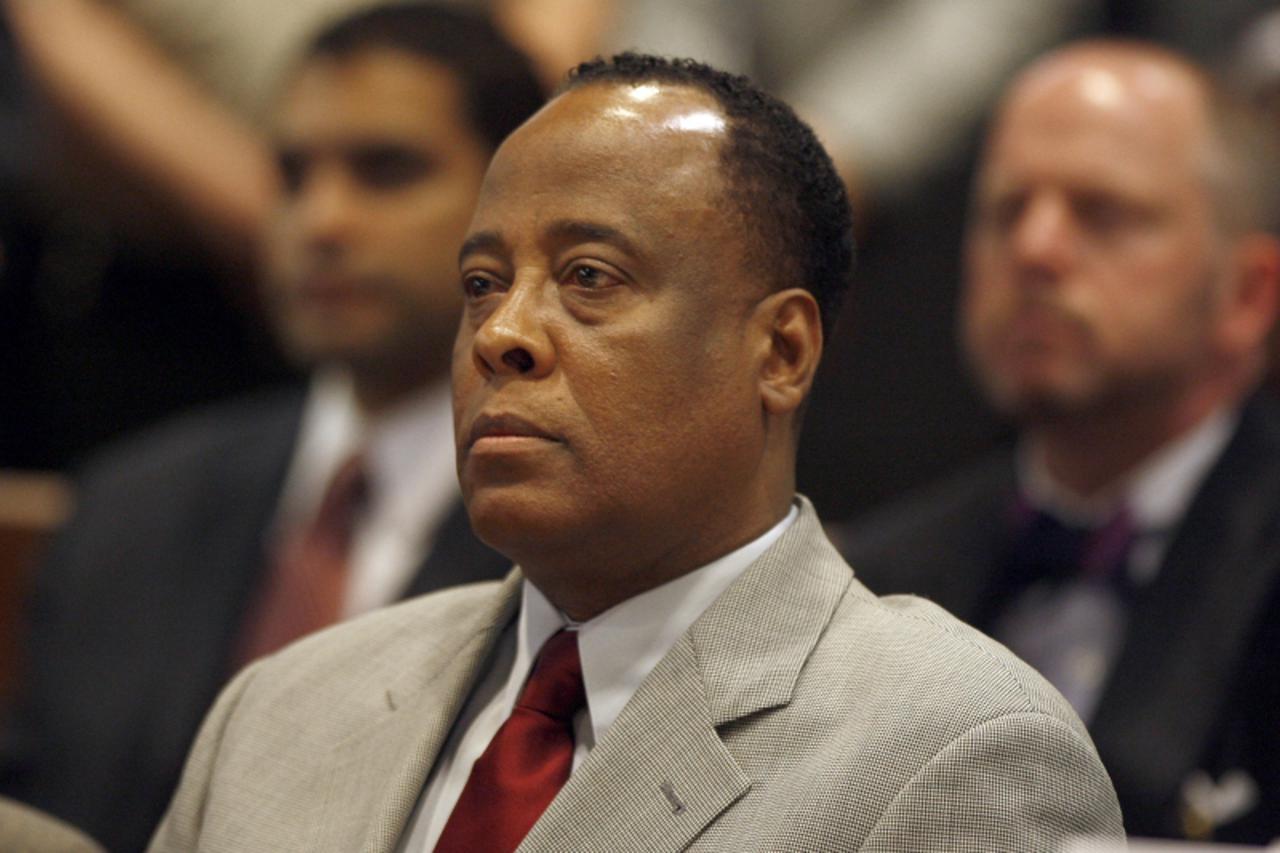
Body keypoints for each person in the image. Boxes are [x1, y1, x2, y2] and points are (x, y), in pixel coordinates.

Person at [150, 53, 1122, 852]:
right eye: (482, 283)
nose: (502, 334)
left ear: (779, 351)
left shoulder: (952, 751)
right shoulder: (278, 711)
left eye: (588, 276)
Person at [0, 7, 544, 851]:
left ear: (522, 201)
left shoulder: (588, 531)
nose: (321, 221)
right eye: (292, 174)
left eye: (386, 170)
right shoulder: (127, 508)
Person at [839, 40, 1280, 843]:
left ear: (1248, 295)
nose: (1035, 249)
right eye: (1006, 210)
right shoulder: (870, 581)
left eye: (1103, 212)